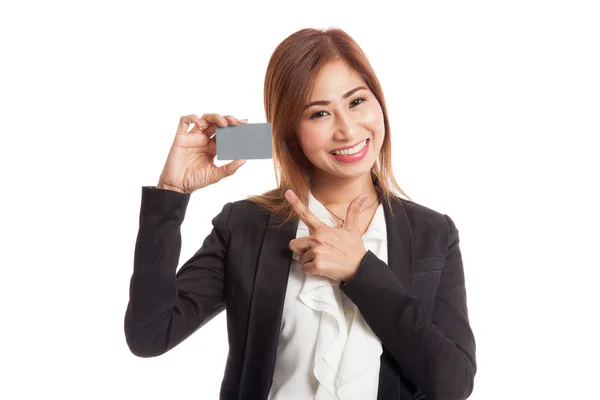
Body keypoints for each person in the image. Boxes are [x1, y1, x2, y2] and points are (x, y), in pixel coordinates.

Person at [124, 27, 477, 400]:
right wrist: (171, 194)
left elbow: (452, 384)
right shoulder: (245, 225)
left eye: (357, 102)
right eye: (319, 113)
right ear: (291, 132)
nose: (347, 130)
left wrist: (362, 271)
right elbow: (149, 335)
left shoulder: (433, 232)